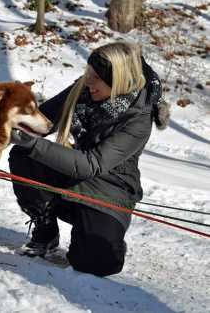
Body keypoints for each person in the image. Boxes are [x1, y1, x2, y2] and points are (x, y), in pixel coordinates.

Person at [9, 42, 170, 277]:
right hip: (73, 173)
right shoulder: (84, 89)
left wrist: (32, 142)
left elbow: (92, 164)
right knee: (25, 156)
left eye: (97, 78)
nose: (88, 82)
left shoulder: (139, 118)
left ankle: (107, 239)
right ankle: (45, 232)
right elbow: (43, 121)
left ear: (118, 82)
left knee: (93, 264)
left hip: (110, 189)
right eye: (88, 74)